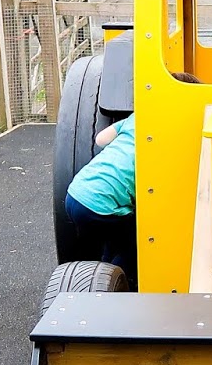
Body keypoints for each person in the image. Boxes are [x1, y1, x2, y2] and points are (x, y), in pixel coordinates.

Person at [64, 72, 202, 279]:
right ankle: (123, 285)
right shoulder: (173, 129)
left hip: (76, 193)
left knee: (115, 240)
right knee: (138, 245)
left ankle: (101, 280)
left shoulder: (136, 118)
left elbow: (101, 139)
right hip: (102, 205)